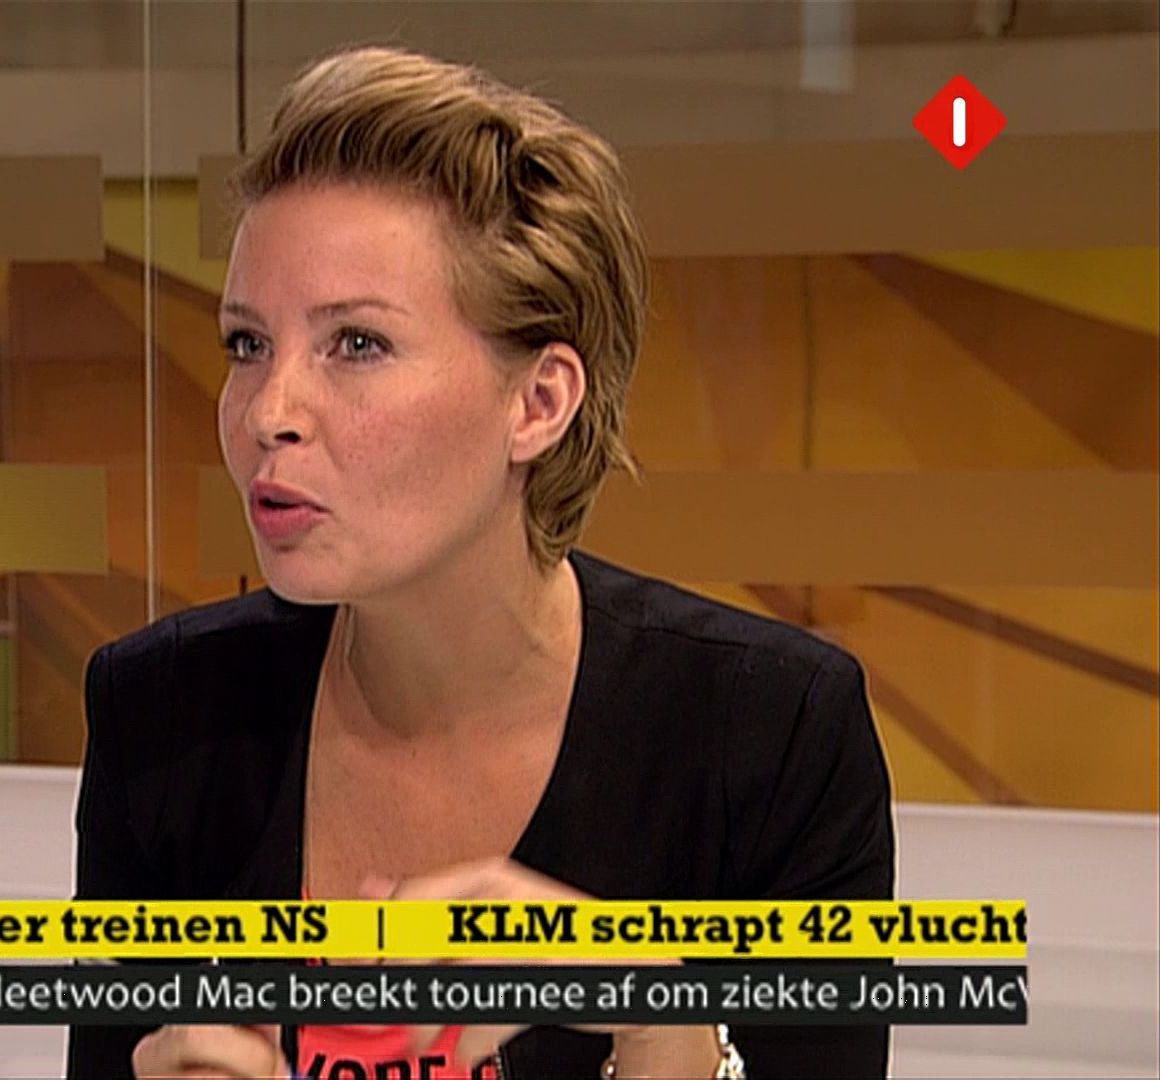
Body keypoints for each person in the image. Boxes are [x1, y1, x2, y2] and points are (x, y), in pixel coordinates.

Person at [68, 45, 893, 1080]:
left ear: (538, 402)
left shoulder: (769, 738)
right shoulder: (164, 715)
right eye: (247, 344)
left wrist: (657, 1027)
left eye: (356, 344)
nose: (268, 412)